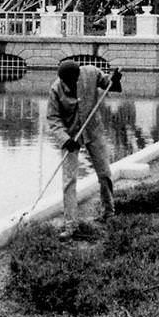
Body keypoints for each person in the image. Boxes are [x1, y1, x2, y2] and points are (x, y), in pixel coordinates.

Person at [47, 58, 116, 234]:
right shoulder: (56, 89)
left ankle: (109, 213)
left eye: (72, 81)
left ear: (78, 76)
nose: (69, 84)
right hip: (70, 136)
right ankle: (71, 225)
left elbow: (107, 82)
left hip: (93, 130)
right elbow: (53, 119)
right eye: (65, 81)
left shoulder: (91, 72)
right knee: (69, 181)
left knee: (105, 173)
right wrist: (65, 139)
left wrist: (114, 80)